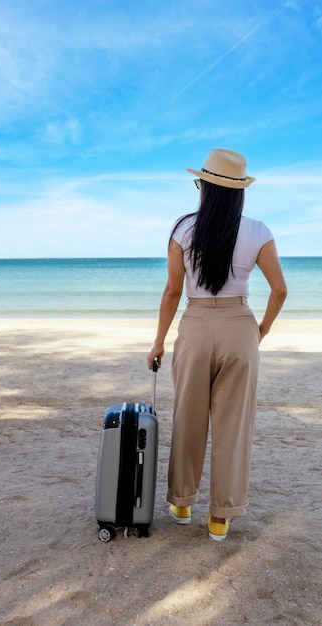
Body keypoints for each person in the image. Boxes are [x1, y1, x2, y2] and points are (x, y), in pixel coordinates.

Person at [147, 148, 287, 541]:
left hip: (194, 326)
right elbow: (279, 290)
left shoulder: (183, 229)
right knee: (233, 425)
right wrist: (261, 330)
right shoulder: (259, 231)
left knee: (188, 416)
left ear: (205, 187)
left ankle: (182, 502)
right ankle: (220, 517)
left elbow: (173, 291)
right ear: (239, 191)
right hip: (239, 325)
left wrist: (158, 341)